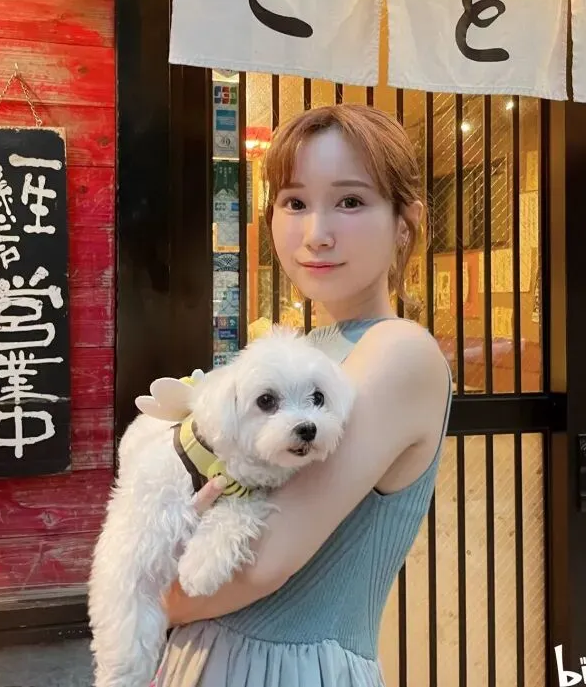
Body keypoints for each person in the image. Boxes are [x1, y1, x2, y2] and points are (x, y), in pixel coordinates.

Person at [151, 103, 453, 687]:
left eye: (350, 201)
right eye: (294, 203)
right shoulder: (309, 350)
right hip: (210, 654)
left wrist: (142, 597)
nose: (316, 234)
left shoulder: (400, 352)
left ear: (405, 222)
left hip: (282, 668)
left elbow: (260, 562)